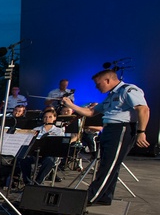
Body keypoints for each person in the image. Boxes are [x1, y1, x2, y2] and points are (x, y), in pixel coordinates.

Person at [62, 69, 150, 205]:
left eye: (98, 84)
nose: (97, 87)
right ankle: (105, 197)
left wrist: (141, 132)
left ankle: (90, 197)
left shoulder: (128, 90)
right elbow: (91, 112)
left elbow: (143, 109)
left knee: (108, 165)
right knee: (108, 164)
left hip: (121, 129)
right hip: (110, 130)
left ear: (107, 80)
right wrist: (71, 105)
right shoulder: (111, 95)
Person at [19, 107, 65, 185]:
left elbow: (59, 145)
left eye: (50, 117)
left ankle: (38, 182)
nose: (47, 119)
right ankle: (27, 182)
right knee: (24, 159)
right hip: (36, 153)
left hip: (49, 154)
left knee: (49, 161)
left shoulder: (59, 131)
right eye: (45, 117)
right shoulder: (36, 129)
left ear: (54, 118)